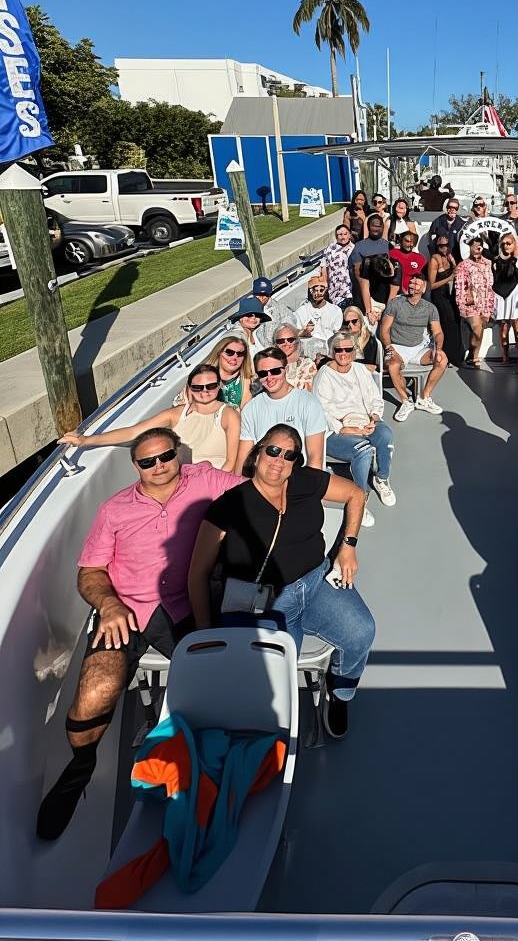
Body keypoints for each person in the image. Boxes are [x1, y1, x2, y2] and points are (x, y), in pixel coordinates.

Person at [36, 429, 243, 839]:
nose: (158, 466)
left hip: (187, 603)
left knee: (215, 686)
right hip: (126, 609)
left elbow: (261, 491)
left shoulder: (205, 479)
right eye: (147, 462)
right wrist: (109, 605)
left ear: (177, 454)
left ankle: (211, 764)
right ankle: (80, 766)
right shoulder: (114, 509)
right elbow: (90, 571)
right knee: (94, 690)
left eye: (165, 456)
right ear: (136, 467)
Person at [188, 425, 376, 740]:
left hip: (316, 583)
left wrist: (348, 546)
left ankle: (340, 693)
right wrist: (206, 632)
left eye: (290, 455)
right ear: (258, 453)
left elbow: (356, 494)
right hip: (266, 602)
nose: (279, 460)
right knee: (276, 683)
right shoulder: (229, 506)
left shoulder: (304, 482)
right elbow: (197, 573)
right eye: (273, 450)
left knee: (361, 633)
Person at [60, 365, 241, 471]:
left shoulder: (228, 415)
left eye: (210, 386)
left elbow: (231, 463)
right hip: (182, 481)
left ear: (219, 387)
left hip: (216, 480)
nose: (204, 392)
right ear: (189, 388)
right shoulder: (176, 414)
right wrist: (86, 440)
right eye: (198, 387)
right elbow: (133, 432)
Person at [313, 333, 396, 507]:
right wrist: (345, 429)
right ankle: (360, 496)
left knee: (385, 434)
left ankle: (381, 479)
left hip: (364, 421)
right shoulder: (325, 375)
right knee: (363, 449)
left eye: (348, 349)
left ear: (353, 351)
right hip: (336, 430)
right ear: (332, 351)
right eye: (338, 349)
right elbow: (321, 411)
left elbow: (374, 397)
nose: (343, 353)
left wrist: (374, 416)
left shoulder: (359, 369)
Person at [236, 347, 327, 472]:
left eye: (275, 371)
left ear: (286, 369)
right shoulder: (251, 409)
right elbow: (243, 460)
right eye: (263, 374)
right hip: (264, 480)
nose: (269, 377)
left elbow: (315, 460)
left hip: (300, 477)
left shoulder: (308, 402)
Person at [381, 273, 448, 420]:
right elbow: (384, 329)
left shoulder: (430, 308)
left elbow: (438, 332)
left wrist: (438, 349)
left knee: (442, 359)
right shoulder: (395, 303)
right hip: (397, 347)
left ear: (423, 288)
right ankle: (406, 401)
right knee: (392, 365)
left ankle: (424, 397)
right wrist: (388, 347)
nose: (413, 286)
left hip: (419, 348)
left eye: (417, 284)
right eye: (411, 283)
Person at [455, 235, 495, 370]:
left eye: (479, 246)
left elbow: (490, 285)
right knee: (477, 329)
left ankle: (474, 357)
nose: (477, 249)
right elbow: (460, 286)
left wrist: (490, 305)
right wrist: (461, 303)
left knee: (481, 329)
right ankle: (471, 352)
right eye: (474, 246)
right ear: (470, 248)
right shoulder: (463, 265)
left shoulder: (487, 263)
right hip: (470, 302)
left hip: (484, 301)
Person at [491, 231, 518, 370]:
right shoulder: (496, 259)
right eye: (504, 244)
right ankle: (505, 357)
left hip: (516, 292)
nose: (506, 246)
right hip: (500, 294)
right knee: (503, 329)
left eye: (509, 243)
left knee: (517, 326)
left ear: (514, 244)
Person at [426, 234, 464, 368]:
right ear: (437, 246)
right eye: (441, 245)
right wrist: (450, 278)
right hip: (439, 295)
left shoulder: (449, 257)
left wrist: (453, 264)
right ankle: (446, 356)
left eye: (446, 245)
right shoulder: (434, 260)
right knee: (447, 324)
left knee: (455, 322)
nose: (444, 248)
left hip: (449, 295)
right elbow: (430, 285)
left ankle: (456, 356)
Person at [349, 213, 391, 322]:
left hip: (383, 296)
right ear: (368, 227)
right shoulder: (359, 246)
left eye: (378, 226)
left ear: (383, 227)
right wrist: (369, 308)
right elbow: (359, 276)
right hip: (364, 296)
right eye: (373, 225)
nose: (376, 228)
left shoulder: (388, 246)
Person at [201, 333, 254, 410]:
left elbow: (246, 410)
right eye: (229, 352)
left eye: (240, 354)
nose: (234, 357)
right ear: (219, 353)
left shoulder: (247, 380)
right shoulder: (201, 376)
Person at [293, 277, 344, 351]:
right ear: (311, 291)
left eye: (321, 290)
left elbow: (337, 334)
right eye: (315, 290)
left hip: (329, 349)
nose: (318, 293)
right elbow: (295, 333)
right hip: (308, 349)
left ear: (325, 290)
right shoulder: (301, 311)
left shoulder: (336, 311)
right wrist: (305, 331)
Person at [271, 324, 318, 391]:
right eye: (281, 341)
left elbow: (306, 392)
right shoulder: (270, 365)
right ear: (275, 344)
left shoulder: (307, 364)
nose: (286, 344)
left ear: (297, 341)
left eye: (290, 340)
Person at [318, 224, 355, 308]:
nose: (343, 237)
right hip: (334, 289)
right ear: (336, 236)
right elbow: (324, 266)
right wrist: (324, 284)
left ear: (349, 235)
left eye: (345, 234)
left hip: (349, 289)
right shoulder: (330, 249)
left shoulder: (354, 249)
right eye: (340, 234)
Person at [340, 304, 382, 372]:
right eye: (347, 322)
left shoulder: (369, 340)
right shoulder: (341, 338)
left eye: (354, 321)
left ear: (361, 320)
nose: (350, 325)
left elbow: (371, 365)